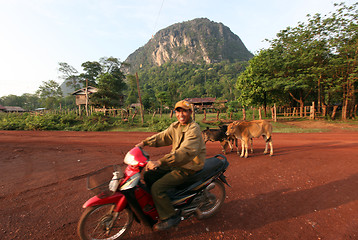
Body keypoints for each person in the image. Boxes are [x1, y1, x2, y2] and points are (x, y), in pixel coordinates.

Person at [135, 100, 206, 231]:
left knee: (157, 188)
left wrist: (160, 162)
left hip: (187, 167)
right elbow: (162, 137)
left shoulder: (194, 128)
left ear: (190, 112)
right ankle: (161, 202)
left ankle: (171, 217)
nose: (181, 114)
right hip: (175, 163)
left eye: (184, 111)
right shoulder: (175, 126)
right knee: (149, 175)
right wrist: (143, 143)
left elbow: (185, 152)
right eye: (178, 111)